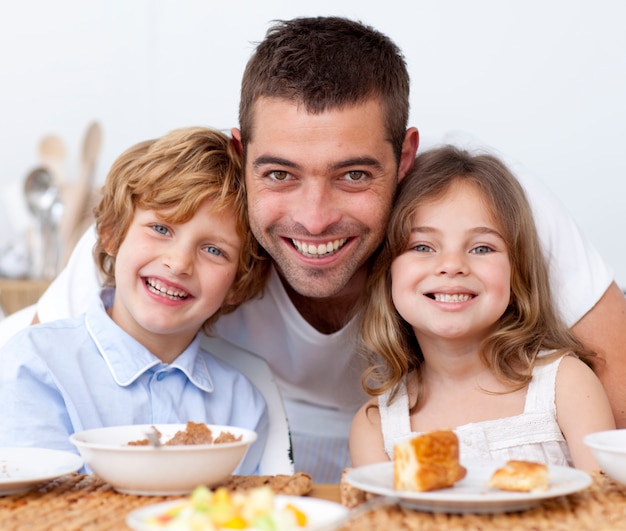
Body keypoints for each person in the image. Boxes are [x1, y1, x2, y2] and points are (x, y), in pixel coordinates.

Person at [24, 17, 626, 483]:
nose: (314, 220)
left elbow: (615, 390)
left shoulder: (484, 210)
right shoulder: (176, 226)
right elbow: (41, 368)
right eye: (281, 174)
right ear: (242, 154)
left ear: (405, 157)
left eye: (354, 176)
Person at [0, 127, 270, 475]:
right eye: (161, 229)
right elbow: (34, 512)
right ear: (112, 233)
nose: (179, 263)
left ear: (238, 284)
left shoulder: (241, 405)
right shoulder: (35, 365)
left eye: (213, 250)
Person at [350, 146, 615, 470]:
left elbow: (607, 511)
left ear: (516, 272)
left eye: (481, 247)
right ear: (387, 271)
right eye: (422, 246)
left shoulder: (566, 384)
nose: (452, 265)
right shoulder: (376, 427)